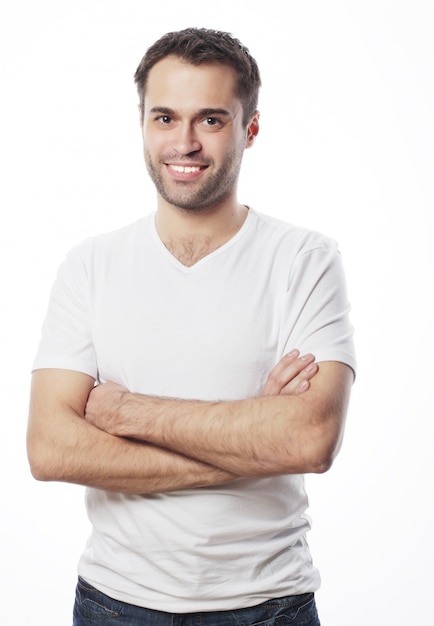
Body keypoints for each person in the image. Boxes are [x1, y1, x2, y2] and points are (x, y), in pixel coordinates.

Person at [27, 27, 356, 626]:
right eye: (164, 118)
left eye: (210, 119)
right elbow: (50, 448)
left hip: (266, 606)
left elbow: (309, 440)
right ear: (142, 123)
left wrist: (127, 415)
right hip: (112, 604)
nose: (184, 143)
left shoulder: (304, 260)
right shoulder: (90, 265)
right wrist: (254, 439)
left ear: (249, 129)